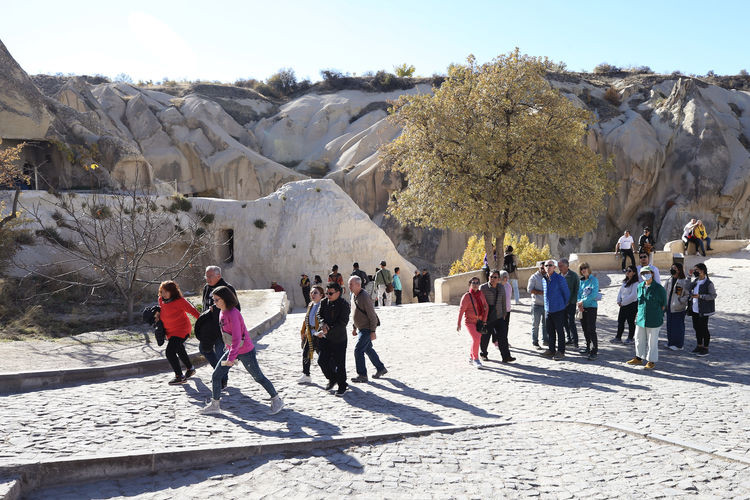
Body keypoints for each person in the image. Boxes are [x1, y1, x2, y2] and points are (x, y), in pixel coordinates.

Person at [200, 286, 284, 415]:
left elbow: (237, 338)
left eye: (217, 300)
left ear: (225, 299)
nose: (214, 302)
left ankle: (277, 400)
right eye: (214, 299)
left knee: (258, 377)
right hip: (232, 351)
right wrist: (229, 352)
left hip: (245, 351)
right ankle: (215, 405)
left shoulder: (233, 313)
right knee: (216, 375)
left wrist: (231, 358)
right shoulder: (222, 312)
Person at [199, 266, 240, 390]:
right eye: (206, 276)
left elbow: (236, 309)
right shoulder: (206, 288)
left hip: (223, 328)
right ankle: (219, 373)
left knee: (221, 354)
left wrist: (219, 311)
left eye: (210, 276)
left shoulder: (227, 289)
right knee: (203, 349)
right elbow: (205, 306)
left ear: (218, 276)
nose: (207, 279)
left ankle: (223, 379)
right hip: (209, 328)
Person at [156, 281, 199, 385]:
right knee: (179, 349)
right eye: (162, 291)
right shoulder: (161, 300)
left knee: (170, 352)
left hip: (182, 330)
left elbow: (193, 311)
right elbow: (164, 312)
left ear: (173, 292)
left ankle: (179, 376)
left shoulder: (180, 301)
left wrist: (205, 323)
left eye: (166, 292)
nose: (163, 294)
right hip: (170, 331)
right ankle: (190, 368)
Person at [627, 267, 667, 370]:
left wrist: (657, 313)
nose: (645, 274)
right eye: (643, 273)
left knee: (652, 341)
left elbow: (663, 304)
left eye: (647, 272)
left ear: (652, 274)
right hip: (641, 318)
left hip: (654, 319)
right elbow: (639, 303)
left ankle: (651, 361)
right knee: (639, 338)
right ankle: (638, 358)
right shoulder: (640, 286)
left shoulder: (659, 288)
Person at [349, 276, 388, 382]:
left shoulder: (365, 296)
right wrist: (354, 327)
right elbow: (354, 312)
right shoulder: (353, 295)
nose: (349, 287)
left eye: (351, 284)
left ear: (358, 285)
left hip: (367, 328)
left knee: (358, 350)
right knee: (368, 349)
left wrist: (373, 331)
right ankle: (381, 368)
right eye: (349, 284)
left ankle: (362, 375)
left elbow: (372, 315)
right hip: (361, 328)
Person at [317, 282, 351, 396]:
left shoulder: (344, 305)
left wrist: (329, 329)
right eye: (326, 293)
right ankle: (332, 379)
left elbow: (343, 323)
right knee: (322, 361)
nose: (328, 295)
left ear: (338, 292)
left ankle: (342, 385)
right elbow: (319, 315)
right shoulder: (323, 302)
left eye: (330, 293)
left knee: (340, 364)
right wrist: (323, 323)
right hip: (326, 339)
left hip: (339, 339)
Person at [457, 277, 489, 369]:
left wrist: (484, 320)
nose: (475, 284)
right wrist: (458, 323)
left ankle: (471, 357)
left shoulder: (481, 294)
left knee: (476, 339)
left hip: (479, 322)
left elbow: (486, 306)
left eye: (477, 283)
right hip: (470, 322)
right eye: (473, 282)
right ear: (470, 284)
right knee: (477, 338)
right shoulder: (466, 296)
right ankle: (476, 359)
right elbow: (461, 310)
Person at [542, 260, 570, 361]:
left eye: (550, 265)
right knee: (550, 331)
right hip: (548, 310)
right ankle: (551, 349)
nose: (548, 267)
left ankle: (561, 351)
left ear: (554, 267)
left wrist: (563, 305)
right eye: (546, 265)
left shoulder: (560, 279)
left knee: (560, 331)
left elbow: (566, 294)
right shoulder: (544, 279)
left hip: (559, 309)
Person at [687, 263, 717, 357]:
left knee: (704, 328)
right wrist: (689, 276)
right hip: (695, 309)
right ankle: (699, 346)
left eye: (696, 270)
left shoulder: (708, 283)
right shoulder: (696, 281)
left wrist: (701, 296)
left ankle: (706, 348)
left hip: (704, 310)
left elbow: (713, 295)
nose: (695, 271)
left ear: (702, 271)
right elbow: (687, 287)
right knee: (696, 328)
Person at [297, 285, 324, 384]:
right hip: (310, 333)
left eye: (315, 292)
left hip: (319, 334)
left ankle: (336, 373)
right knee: (306, 353)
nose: (313, 294)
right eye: (311, 292)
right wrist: (303, 332)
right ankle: (306, 374)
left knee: (323, 356)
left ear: (321, 295)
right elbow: (306, 320)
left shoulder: (323, 305)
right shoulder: (310, 305)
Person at [664, 263, 690, 350]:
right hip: (669, 308)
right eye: (672, 268)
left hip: (678, 308)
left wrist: (680, 302)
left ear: (679, 270)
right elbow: (664, 292)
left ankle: (679, 345)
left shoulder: (683, 281)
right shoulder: (669, 280)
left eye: (674, 268)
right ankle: (670, 343)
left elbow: (687, 295)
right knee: (670, 326)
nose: (672, 269)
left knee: (678, 327)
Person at [577, 262, 600, 360]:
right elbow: (578, 294)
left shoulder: (594, 280)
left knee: (591, 329)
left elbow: (594, 294)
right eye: (582, 268)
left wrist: (582, 302)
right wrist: (579, 303)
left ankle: (594, 350)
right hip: (582, 308)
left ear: (589, 268)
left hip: (591, 307)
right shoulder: (581, 281)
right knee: (585, 328)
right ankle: (587, 347)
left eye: (585, 268)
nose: (583, 270)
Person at [479, 270, 503, 361]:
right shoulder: (483, 288)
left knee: (501, 335)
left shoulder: (501, 287)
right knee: (485, 335)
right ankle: (483, 354)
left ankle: (505, 356)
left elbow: (503, 301)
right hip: (486, 314)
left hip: (498, 313)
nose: (492, 279)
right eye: (491, 277)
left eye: (495, 277)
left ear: (498, 279)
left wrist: (504, 313)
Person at [613, 266, 639, 344]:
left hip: (631, 305)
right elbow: (620, 292)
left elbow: (633, 295)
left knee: (630, 322)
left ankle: (630, 338)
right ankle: (618, 337)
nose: (627, 272)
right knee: (621, 321)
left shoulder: (636, 283)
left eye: (629, 271)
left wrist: (623, 302)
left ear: (634, 273)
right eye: (626, 270)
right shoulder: (625, 282)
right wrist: (619, 300)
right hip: (623, 304)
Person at [558, 258, 579, 348]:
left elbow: (576, 290)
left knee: (571, 322)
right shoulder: (558, 276)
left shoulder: (573, 276)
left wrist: (570, 302)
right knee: (564, 322)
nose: (559, 268)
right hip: (561, 304)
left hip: (571, 303)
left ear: (567, 266)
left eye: (561, 266)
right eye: (558, 266)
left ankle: (575, 340)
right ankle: (569, 338)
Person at [527, 261, 548, 348]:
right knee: (535, 324)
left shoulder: (548, 276)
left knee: (546, 324)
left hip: (546, 305)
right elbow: (529, 290)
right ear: (539, 268)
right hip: (536, 304)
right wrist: (541, 292)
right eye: (542, 268)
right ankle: (535, 341)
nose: (543, 269)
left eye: (545, 268)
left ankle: (545, 340)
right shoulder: (534, 277)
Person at [496, 271, 516, 362]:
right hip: (499, 312)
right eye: (503, 277)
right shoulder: (497, 286)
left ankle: (504, 344)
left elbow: (509, 298)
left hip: (507, 311)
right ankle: (497, 343)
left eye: (506, 277)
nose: (505, 279)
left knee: (505, 329)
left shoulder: (508, 286)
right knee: (500, 330)